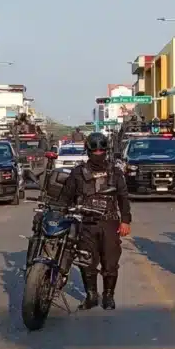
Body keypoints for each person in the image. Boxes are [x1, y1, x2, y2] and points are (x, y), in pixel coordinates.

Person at [54, 132, 132, 310]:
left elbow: (123, 198)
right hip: (86, 224)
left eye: (101, 151)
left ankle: (108, 296)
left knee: (110, 262)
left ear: (106, 151)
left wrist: (125, 221)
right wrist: (59, 214)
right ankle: (91, 295)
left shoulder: (115, 172)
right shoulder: (78, 173)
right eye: (94, 151)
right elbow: (65, 197)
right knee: (87, 262)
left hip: (109, 222)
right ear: (88, 151)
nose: (98, 154)